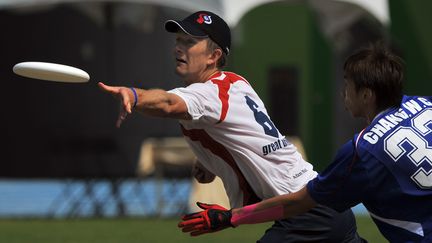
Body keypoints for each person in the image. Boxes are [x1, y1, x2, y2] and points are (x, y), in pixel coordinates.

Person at [99, 10, 364, 242]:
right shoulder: (236, 83)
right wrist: (209, 162)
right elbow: (244, 135)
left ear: (214, 56)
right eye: (178, 40)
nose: (178, 47)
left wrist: (135, 95)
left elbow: (168, 103)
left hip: (307, 214)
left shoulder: (209, 94)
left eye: (189, 41)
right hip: (322, 204)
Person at [178, 42, 432, 242]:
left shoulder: (363, 150)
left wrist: (230, 217)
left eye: (348, 86)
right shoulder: (426, 105)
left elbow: (300, 203)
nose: (343, 93)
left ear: (366, 95)